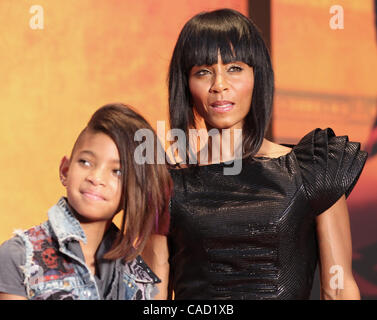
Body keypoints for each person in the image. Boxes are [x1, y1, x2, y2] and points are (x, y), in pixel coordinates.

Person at [145, 8, 368, 299]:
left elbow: (338, 290)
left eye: (234, 68)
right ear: (186, 85)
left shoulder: (314, 168)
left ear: (257, 76)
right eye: (203, 72)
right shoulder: (164, 187)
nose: (220, 85)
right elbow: (152, 296)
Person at [0, 103, 172, 300]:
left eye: (118, 171)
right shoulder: (20, 256)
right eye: (86, 162)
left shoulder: (139, 275)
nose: (96, 178)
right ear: (65, 170)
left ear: (135, 192)